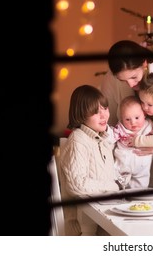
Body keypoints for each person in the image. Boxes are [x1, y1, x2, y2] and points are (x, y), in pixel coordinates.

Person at [59, 85, 119, 236]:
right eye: (95, 112)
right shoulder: (78, 140)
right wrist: (112, 186)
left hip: (101, 218)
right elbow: (77, 185)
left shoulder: (102, 140)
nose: (104, 115)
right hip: (84, 227)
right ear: (81, 114)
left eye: (105, 108)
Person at [100, 40, 153, 127]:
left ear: (144, 63)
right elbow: (108, 123)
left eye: (134, 77)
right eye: (123, 80)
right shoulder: (110, 78)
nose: (131, 85)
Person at [109, 95, 153, 189]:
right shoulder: (121, 128)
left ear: (144, 114)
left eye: (137, 118)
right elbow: (109, 139)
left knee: (140, 189)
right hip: (123, 166)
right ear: (122, 118)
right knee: (119, 188)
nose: (133, 123)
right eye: (127, 119)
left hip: (142, 166)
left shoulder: (149, 126)